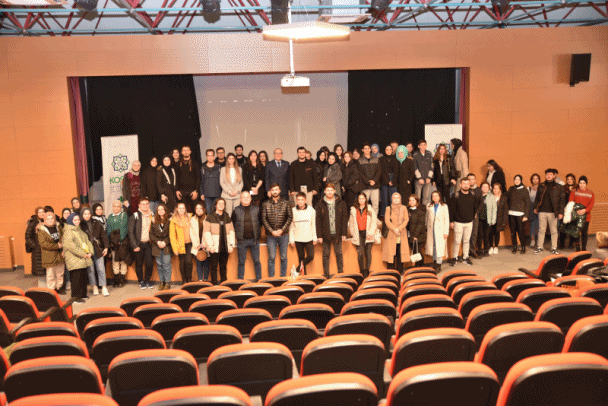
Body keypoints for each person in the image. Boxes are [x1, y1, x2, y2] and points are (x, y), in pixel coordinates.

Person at [316, 183, 348, 278]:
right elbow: (318, 221)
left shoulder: (341, 203)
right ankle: (326, 275)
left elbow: (344, 219)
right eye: (328, 190)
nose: (329, 192)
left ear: (334, 191)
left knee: (339, 253)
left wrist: (344, 233)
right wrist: (319, 235)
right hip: (325, 234)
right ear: (325, 192)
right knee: (326, 255)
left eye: (331, 190)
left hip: (338, 233)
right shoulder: (320, 204)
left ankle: (341, 274)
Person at [262, 184, 292, 277]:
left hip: (284, 235)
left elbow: (290, 217)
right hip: (271, 235)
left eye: (276, 189)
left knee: (283, 257)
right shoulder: (265, 204)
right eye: (273, 190)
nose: (274, 191)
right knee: (271, 258)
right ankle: (271, 278)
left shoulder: (286, 203)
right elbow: (263, 219)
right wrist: (272, 231)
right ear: (270, 191)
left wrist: (282, 230)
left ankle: (283, 277)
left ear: (279, 190)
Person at [62, 213, 94, 303]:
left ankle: (83, 294)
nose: (77, 221)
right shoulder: (68, 232)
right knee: (76, 279)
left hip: (83, 258)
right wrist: (83, 254)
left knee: (83, 278)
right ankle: (75, 298)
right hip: (74, 258)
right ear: (70, 221)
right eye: (75, 220)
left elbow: (88, 242)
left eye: (78, 219)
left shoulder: (80, 231)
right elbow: (71, 246)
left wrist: (90, 252)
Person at [203, 198, 235, 285]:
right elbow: (206, 233)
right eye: (219, 203)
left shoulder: (227, 217)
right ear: (215, 205)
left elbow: (231, 231)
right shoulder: (209, 217)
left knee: (223, 266)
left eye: (223, 203)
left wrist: (231, 245)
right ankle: (214, 284)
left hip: (225, 246)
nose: (221, 205)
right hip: (214, 247)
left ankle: (224, 283)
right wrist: (210, 246)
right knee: (213, 267)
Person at [232, 191, 262, 281]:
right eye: (244, 197)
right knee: (241, 262)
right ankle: (240, 281)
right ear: (240, 199)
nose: (246, 199)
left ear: (250, 198)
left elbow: (260, 222)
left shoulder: (257, 209)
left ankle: (259, 280)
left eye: (248, 197)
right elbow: (232, 223)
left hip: (254, 240)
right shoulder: (236, 210)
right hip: (242, 241)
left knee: (257, 261)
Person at [534, 169, 565, 255]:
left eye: (550, 174)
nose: (548, 176)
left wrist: (561, 212)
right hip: (542, 211)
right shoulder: (541, 185)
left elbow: (562, 201)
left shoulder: (559, 187)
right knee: (541, 230)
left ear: (554, 175)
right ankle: (540, 247)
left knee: (553, 231)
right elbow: (537, 198)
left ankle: (554, 248)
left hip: (553, 212)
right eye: (547, 174)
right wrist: (536, 207)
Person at [448, 178, 479, 266]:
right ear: (460, 185)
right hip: (458, 222)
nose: (466, 185)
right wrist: (451, 221)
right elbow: (451, 209)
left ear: (469, 185)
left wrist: (473, 215)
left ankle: (465, 257)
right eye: (464, 184)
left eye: (467, 184)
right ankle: (455, 258)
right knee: (457, 241)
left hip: (469, 222)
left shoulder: (473, 195)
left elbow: (475, 206)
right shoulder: (455, 195)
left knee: (466, 241)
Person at [81, 207, 110, 296]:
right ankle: (94, 286)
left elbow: (103, 235)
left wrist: (106, 247)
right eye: (85, 214)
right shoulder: (80, 225)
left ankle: (104, 287)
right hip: (86, 250)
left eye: (89, 213)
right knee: (91, 270)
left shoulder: (96, 222)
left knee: (101, 268)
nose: (87, 215)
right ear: (82, 215)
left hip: (98, 248)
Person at [128, 198, 155, 289]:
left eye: (147, 204)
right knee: (139, 264)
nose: (145, 205)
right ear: (139, 205)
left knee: (149, 263)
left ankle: (147, 280)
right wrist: (135, 245)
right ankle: (141, 281)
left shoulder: (152, 215)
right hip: (138, 244)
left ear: (149, 205)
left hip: (148, 243)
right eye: (143, 204)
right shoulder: (135, 216)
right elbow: (130, 232)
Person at [349, 192, 377, 277]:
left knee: (368, 253)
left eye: (363, 198)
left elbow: (374, 221)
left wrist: (370, 233)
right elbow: (351, 223)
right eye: (359, 198)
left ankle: (367, 271)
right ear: (357, 200)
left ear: (365, 199)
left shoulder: (370, 209)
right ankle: (361, 271)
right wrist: (353, 234)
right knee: (360, 254)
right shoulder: (354, 210)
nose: (361, 200)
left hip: (368, 233)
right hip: (358, 234)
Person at [290, 192, 317, 275]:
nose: (300, 201)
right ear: (296, 200)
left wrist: (314, 237)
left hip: (309, 237)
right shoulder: (293, 211)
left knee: (310, 256)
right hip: (298, 238)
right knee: (301, 258)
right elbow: (291, 226)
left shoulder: (311, 210)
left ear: (305, 200)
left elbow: (313, 225)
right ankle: (304, 276)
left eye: (302, 199)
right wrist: (291, 239)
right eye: (298, 200)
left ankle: (296, 270)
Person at [382, 192, 410, 274]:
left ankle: (400, 271)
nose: (396, 199)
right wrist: (394, 229)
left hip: (402, 233)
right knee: (392, 252)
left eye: (398, 198)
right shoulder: (388, 208)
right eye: (395, 198)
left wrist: (399, 229)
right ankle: (391, 272)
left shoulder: (404, 208)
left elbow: (406, 220)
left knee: (400, 252)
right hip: (392, 233)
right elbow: (387, 221)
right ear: (392, 199)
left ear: (400, 199)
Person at [38, 212, 65, 293]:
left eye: (52, 218)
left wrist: (63, 249)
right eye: (48, 219)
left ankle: (59, 287)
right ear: (45, 220)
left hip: (60, 255)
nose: (50, 220)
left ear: (54, 219)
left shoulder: (58, 227)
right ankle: (52, 290)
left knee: (60, 274)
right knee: (51, 275)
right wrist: (57, 246)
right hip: (49, 256)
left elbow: (63, 238)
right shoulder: (42, 230)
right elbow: (43, 244)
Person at [106, 200, 130, 288]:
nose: (116, 208)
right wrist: (111, 242)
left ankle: (122, 279)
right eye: (115, 206)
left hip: (122, 242)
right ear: (112, 207)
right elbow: (108, 230)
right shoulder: (110, 217)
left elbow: (124, 229)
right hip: (113, 243)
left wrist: (120, 240)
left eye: (118, 206)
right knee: (115, 261)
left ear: (121, 207)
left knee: (123, 261)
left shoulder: (124, 215)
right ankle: (116, 279)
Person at [569, 175, 594, 251]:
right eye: (580, 183)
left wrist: (584, 210)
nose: (582, 185)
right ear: (578, 183)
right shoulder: (574, 191)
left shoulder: (591, 193)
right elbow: (571, 202)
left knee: (584, 233)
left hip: (586, 216)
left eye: (583, 183)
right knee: (576, 232)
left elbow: (591, 205)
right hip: (576, 215)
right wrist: (576, 210)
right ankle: (577, 247)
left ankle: (584, 248)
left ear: (586, 184)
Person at [150, 203, 172, 290]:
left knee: (166, 264)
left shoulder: (170, 220)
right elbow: (151, 234)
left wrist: (165, 242)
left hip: (167, 245)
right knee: (159, 265)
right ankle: (161, 282)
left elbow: (172, 234)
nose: (160, 211)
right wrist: (158, 242)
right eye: (159, 210)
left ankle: (167, 282)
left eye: (162, 209)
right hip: (157, 245)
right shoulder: (154, 220)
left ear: (165, 210)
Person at [170, 202, 193, 284]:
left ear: (185, 209)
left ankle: (189, 279)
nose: (181, 210)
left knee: (189, 262)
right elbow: (172, 235)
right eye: (180, 208)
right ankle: (184, 280)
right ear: (177, 209)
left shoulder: (190, 217)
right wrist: (175, 248)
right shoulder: (173, 220)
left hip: (189, 243)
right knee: (182, 263)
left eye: (183, 208)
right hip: (180, 244)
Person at [426, 191, 450, 272]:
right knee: (433, 247)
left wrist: (446, 232)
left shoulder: (444, 206)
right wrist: (427, 228)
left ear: (439, 197)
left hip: (440, 230)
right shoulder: (429, 206)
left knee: (440, 248)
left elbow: (446, 220)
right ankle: (434, 263)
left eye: (436, 196)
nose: (435, 197)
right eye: (433, 196)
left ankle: (439, 265)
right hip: (431, 230)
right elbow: (427, 218)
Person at [507, 175, 530, 254]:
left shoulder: (524, 190)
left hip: (520, 214)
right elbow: (507, 199)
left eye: (518, 179)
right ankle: (515, 247)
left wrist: (526, 215)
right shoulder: (511, 189)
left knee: (521, 232)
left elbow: (527, 203)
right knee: (512, 232)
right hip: (511, 213)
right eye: (515, 179)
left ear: (521, 180)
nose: (516, 181)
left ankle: (523, 247)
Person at [175, 145, 201, 213]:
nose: (186, 152)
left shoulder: (195, 163)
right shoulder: (178, 164)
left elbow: (198, 178)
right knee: (183, 212)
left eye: (187, 150)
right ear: (181, 152)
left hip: (193, 192)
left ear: (190, 152)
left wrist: (196, 191)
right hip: (182, 193)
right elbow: (176, 178)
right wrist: (177, 190)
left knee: (195, 212)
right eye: (184, 150)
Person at [359, 143, 381, 215]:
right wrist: (368, 181)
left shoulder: (376, 159)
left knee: (375, 205)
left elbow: (379, 171)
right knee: (364, 204)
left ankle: (374, 220)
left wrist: (374, 180)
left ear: (370, 149)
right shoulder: (360, 160)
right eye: (365, 149)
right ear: (363, 150)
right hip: (365, 186)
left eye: (368, 148)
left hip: (375, 185)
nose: (367, 150)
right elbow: (360, 173)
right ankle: (365, 219)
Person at [190, 202, 209, 282]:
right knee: (199, 263)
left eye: (200, 208)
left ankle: (206, 280)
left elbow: (209, 232)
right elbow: (191, 233)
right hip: (197, 246)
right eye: (197, 208)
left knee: (206, 263)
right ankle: (200, 280)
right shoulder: (192, 219)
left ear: (203, 209)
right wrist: (197, 245)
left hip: (206, 245)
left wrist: (204, 244)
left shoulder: (208, 218)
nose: (198, 210)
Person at [379, 145, 400, 217]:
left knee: (394, 199)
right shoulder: (381, 159)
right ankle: (384, 215)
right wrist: (387, 181)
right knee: (384, 199)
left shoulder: (395, 159)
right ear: (385, 151)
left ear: (392, 150)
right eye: (387, 149)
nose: (388, 151)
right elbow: (381, 172)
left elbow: (397, 171)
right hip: (384, 180)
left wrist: (393, 181)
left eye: (390, 149)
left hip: (394, 179)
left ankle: (394, 214)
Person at [406, 194, 426, 268]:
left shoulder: (420, 212)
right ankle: (418, 266)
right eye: (410, 200)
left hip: (418, 235)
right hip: (409, 234)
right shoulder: (407, 211)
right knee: (414, 251)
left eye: (413, 200)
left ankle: (420, 266)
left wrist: (416, 235)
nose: (411, 202)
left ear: (416, 201)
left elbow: (420, 225)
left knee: (417, 251)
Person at [25, 207, 45, 277]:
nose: (41, 214)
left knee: (46, 272)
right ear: (37, 213)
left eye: (43, 212)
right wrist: (36, 246)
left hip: (45, 250)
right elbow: (27, 237)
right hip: (37, 251)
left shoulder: (46, 221)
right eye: (39, 212)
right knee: (40, 272)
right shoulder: (33, 222)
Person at [200, 149, 222, 214]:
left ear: (214, 156)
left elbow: (221, 181)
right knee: (209, 213)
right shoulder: (203, 168)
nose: (210, 157)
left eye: (211, 155)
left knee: (217, 213)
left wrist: (222, 193)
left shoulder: (218, 167)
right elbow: (201, 182)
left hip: (217, 194)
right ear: (206, 157)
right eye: (208, 155)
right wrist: (201, 193)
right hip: (207, 195)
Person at [478, 182, 497, 257]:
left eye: (486, 187)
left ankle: (486, 249)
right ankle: (479, 250)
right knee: (479, 235)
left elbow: (494, 209)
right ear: (481, 188)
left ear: (489, 188)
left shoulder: (491, 197)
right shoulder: (478, 196)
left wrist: (493, 220)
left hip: (487, 219)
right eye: (483, 187)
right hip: (479, 218)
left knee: (486, 235)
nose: (484, 188)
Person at [489, 183, 509, 255]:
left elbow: (505, 210)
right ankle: (491, 247)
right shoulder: (489, 197)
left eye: (497, 188)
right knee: (490, 233)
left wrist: (504, 221)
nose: (495, 190)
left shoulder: (503, 198)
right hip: (490, 218)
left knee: (497, 233)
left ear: (500, 189)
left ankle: (496, 247)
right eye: (494, 188)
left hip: (499, 219)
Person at [467, 173, 483, 259]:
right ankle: (466, 252)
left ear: (475, 180)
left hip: (475, 215)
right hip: (465, 215)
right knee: (466, 234)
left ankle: (472, 250)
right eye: (469, 179)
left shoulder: (478, 190)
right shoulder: (464, 190)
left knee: (474, 234)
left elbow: (481, 203)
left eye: (473, 179)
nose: (471, 181)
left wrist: (477, 212)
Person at [413, 139, 434, 205]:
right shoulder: (415, 154)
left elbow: (432, 166)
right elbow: (415, 167)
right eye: (421, 145)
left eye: (424, 145)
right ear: (418, 146)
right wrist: (419, 178)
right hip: (418, 180)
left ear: (426, 145)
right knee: (418, 197)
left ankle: (424, 210)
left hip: (427, 180)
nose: (423, 146)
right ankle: (417, 209)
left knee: (426, 197)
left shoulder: (429, 154)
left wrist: (429, 177)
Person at [560, 173, 577, 249]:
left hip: (574, 211)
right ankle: (561, 244)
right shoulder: (563, 188)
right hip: (565, 210)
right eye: (568, 179)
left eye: (571, 179)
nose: (569, 180)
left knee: (572, 227)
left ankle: (571, 243)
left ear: (574, 180)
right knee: (563, 227)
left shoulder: (577, 188)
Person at [528, 174, 541, 248]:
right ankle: (532, 240)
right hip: (531, 208)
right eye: (534, 178)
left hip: (540, 208)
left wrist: (538, 208)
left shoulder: (542, 188)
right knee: (532, 225)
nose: (535, 180)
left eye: (537, 178)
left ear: (539, 180)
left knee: (540, 225)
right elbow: (528, 200)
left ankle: (539, 241)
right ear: (531, 180)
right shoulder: (529, 188)